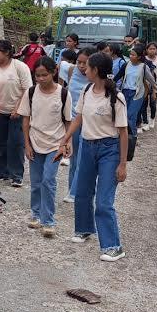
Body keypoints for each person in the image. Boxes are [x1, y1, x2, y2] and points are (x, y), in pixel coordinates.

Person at [57, 52, 128, 262]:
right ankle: (84, 229)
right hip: (88, 146)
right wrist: (66, 139)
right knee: (82, 192)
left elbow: (123, 132)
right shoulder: (87, 90)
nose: (83, 70)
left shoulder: (117, 97)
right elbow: (78, 117)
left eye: (87, 67)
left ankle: (113, 246)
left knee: (104, 201)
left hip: (109, 149)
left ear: (96, 70)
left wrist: (122, 164)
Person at [20, 57, 72, 238]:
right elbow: (25, 119)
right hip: (34, 142)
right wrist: (26, 144)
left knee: (48, 181)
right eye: (37, 75)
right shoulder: (31, 92)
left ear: (54, 72)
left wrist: (67, 143)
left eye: (44, 75)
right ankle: (35, 213)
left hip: (55, 144)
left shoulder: (63, 93)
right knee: (35, 182)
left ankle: (48, 220)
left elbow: (68, 121)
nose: (41, 79)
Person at [0, 40, 32, 187]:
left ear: (6, 52)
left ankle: (17, 175)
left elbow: (27, 90)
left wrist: (18, 109)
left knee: (16, 143)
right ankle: (3, 171)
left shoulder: (20, 67)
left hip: (17, 113)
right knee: (1, 143)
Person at [62, 47, 94, 204]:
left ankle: (77, 191)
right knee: (73, 158)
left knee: (83, 158)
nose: (81, 66)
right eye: (79, 62)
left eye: (85, 63)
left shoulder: (95, 77)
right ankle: (71, 189)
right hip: (73, 122)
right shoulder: (71, 71)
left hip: (89, 123)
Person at [115, 44, 156, 137]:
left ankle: (132, 136)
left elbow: (151, 80)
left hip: (137, 94)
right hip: (125, 92)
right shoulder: (126, 65)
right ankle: (124, 136)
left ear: (139, 57)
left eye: (133, 55)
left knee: (130, 115)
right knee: (124, 115)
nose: (131, 56)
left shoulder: (144, 67)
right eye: (130, 54)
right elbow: (117, 77)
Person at [139, 42, 157, 131]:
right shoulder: (143, 60)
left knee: (153, 104)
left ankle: (152, 119)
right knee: (143, 104)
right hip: (143, 86)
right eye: (150, 49)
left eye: (154, 49)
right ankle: (145, 122)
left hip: (155, 85)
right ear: (146, 50)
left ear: (156, 50)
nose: (152, 50)